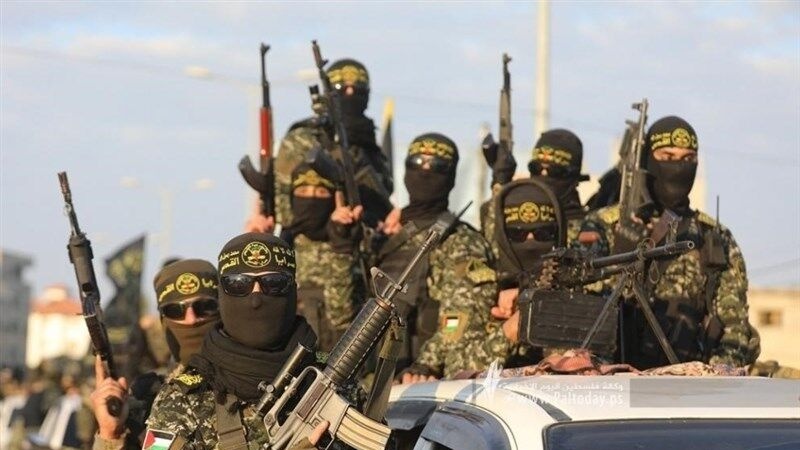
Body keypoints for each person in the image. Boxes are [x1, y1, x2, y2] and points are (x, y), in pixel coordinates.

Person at [578, 116, 760, 369]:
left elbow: (734, 328)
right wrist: (621, 258)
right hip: (615, 380)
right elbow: (582, 308)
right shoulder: (605, 226)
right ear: (648, 161)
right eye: (667, 156)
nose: (678, 167)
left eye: (688, 158)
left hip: (688, 382)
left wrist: (713, 378)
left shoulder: (713, 235)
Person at [374, 133, 509, 383]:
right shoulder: (386, 235)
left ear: (450, 178)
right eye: (416, 163)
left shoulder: (461, 241)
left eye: (436, 166)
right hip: (371, 377)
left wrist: (426, 364)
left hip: (419, 382)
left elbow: (461, 316)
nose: (424, 172)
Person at [89, 259, 222, 449]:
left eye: (204, 307)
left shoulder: (250, 381)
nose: (191, 319)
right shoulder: (149, 399)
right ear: (163, 319)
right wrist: (110, 434)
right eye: (175, 310)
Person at [274, 58, 393, 230]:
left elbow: (384, 193)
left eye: (358, 88)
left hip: (360, 237)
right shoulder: (302, 138)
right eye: (341, 87)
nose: (350, 93)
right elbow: (281, 200)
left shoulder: (369, 144)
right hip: (308, 240)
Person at [285, 162, 362, 351]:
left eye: (321, 192)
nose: (311, 199)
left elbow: (342, 316)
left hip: (339, 357)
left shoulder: (356, 242)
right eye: (303, 191)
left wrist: (342, 241)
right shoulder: (284, 245)